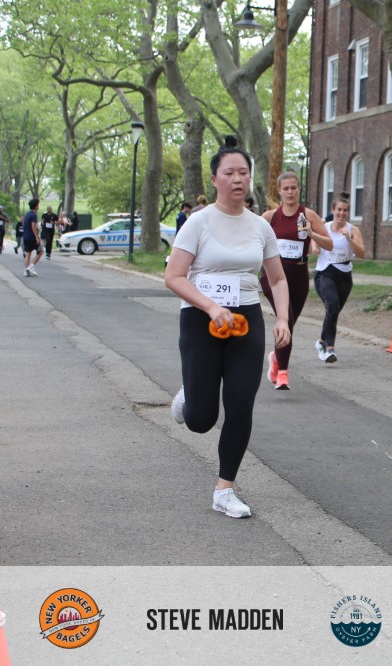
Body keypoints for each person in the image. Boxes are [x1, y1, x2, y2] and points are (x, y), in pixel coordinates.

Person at [165, 136, 291, 519]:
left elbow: (277, 278)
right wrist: (210, 306)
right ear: (215, 179)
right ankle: (190, 396)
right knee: (201, 420)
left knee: (240, 404)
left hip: (245, 321)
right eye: (229, 173)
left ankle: (225, 489)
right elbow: (174, 276)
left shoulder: (260, 227)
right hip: (201, 320)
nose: (238, 179)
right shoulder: (197, 223)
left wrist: (282, 318)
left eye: (244, 172)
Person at [260, 171, 333, 389]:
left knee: (288, 324)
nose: (290, 192)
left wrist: (312, 234)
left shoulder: (308, 215)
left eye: (294, 188)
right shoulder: (269, 217)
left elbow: (329, 244)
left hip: (298, 276)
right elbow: (253, 242)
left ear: (299, 189)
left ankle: (276, 358)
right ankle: (283, 373)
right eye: (286, 188)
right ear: (279, 191)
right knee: (286, 318)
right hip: (273, 278)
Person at [313, 193, 365, 363]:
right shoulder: (324, 227)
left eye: (345, 210)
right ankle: (330, 349)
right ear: (333, 210)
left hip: (344, 275)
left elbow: (362, 253)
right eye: (339, 210)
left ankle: (322, 341)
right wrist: (315, 247)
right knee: (332, 305)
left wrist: (349, 239)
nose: (342, 213)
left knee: (333, 311)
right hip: (325, 272)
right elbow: (314, 237)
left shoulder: (353, 230)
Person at [22, 198, 43, 276]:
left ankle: (26, 270)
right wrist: (36, 237)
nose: (38, 206)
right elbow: (33, 226)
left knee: (28, 253)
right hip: (32, 237)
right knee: (41, 251)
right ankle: (31, 266)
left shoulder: (27, 214)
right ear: (36, 206)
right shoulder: (34, 215)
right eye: (38, 204)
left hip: (25, 236)